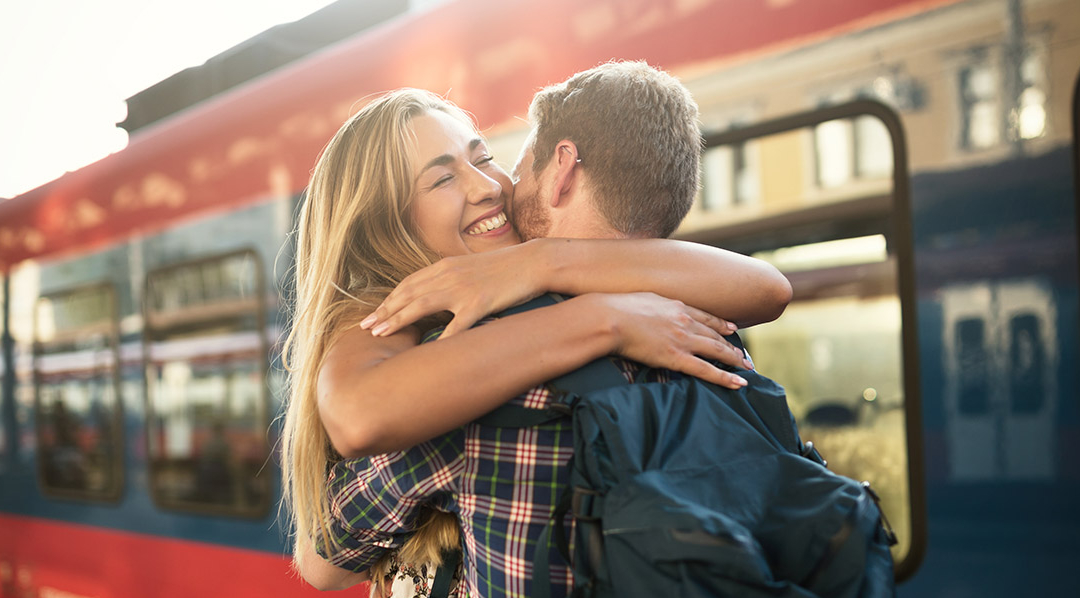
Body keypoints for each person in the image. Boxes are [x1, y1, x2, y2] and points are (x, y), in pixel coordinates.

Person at [282, 62, 791, 597]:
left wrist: (543, 268)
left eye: (484, 158)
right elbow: (768, 288)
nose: (487, 185)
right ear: (386, 225)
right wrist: (598, 313)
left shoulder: (478, 390)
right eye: (442, 177)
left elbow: (323, 562)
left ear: (564, 168)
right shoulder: (698, 320)